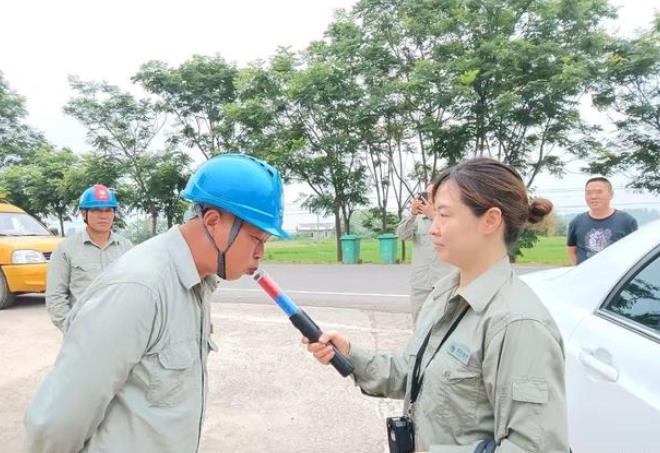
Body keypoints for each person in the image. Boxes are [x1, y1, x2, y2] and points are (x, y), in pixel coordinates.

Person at [24, 154, 288, 453]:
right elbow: (56, 422)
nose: (260, 252)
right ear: (214, 222)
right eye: (257, 238)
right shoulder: (140, 288)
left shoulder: (197, 280)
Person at [306, 158, 568, 452]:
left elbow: (534, 447)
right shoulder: (443, 294)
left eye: (444, 215)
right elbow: (414, 374)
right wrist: (351, 355)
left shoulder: (517, 324)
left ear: (491, 220)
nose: (433, 229)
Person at [46, 184, 132, 332]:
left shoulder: (126, 247)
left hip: (120, 328)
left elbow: (134, 289)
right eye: (96, 210)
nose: (103, 215)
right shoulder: (66, 249)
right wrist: (71, 328)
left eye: (108, 210)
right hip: (82, 330)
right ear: (83, 214)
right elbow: (55, 296)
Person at [397, 182, 454, 323]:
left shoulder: (450, 218)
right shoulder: (417, 219)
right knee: (419, 322)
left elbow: (456, 237)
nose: (428, 198)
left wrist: (434, 216)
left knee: (444, 323)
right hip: (421, 283)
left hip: (444, 282)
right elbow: (402, 235)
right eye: (426, 195)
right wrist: (412, 213)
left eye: (432, 195)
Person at [567, 176, 638, 265]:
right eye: (588, 193)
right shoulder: (576, 222)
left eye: (599, 192)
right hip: (584, 276)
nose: (593, 196)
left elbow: (635, 252)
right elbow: (571, 250)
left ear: (611, 194)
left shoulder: (627, 221)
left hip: (617, 276)